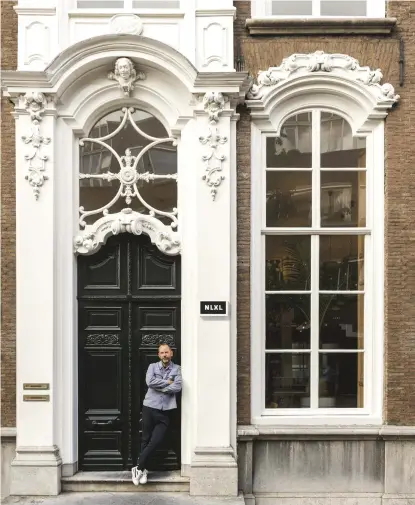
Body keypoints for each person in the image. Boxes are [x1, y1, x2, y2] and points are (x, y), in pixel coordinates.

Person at [131, 343, 182, 485]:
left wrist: (161, 388)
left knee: (156, 440)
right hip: (149, 408)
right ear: (158, 355)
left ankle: (137, 468)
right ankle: (144, 469)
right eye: (162, 353)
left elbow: (177, 386)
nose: (164, 355)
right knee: (145, 439)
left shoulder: (177, 369)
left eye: (167, 352)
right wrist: (167, 382)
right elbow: (149, 382)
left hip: (166, 411)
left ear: (171, 353)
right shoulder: (152, 367)